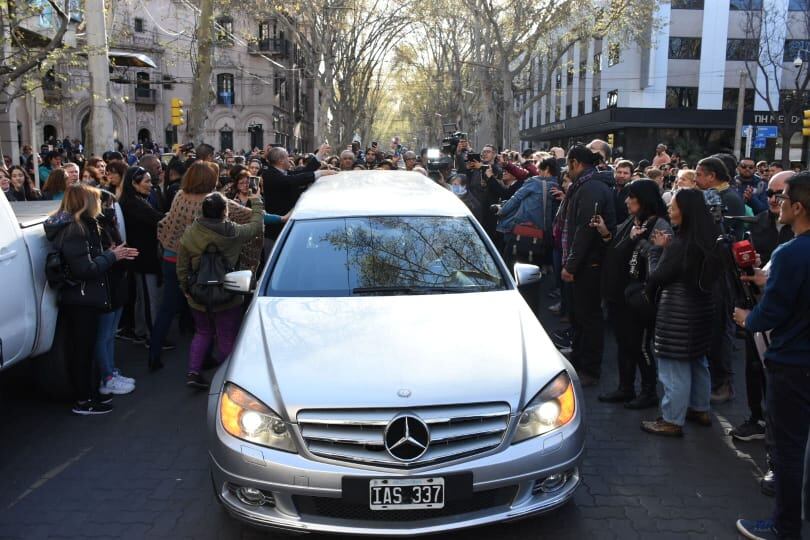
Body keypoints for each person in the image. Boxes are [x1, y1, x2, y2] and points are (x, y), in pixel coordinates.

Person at [733, 172, 810, 540]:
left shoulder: (791, 252)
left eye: (782, 198)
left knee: (788, 450)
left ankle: (785, 527)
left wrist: (747, 318)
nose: (774, 204)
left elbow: (771, 314)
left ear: (798, 206)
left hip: (793, 364)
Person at [43, 184, 137, 414]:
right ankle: (84, 400)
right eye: (95, 200)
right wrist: (111, 255)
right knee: (83, 352)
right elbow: (85, 269)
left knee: (85, 350)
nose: (99, 206)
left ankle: (90, 395)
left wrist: (110, 253)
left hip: (84, 296)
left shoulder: (82, 226)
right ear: (85, 203)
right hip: (81, 299)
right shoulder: (75, 230)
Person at [640, 188, 719, 436]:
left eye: (673, 207)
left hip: (677, 312)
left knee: (674, 367)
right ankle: (700, 408)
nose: (670, 212)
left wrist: (657, 250)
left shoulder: (680, 245)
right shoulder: (711, 237)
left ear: (685, 211)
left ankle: (672, 419)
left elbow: (657, 276)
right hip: (703, 309)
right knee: (697, 361)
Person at [730, 171, 796, 444]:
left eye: (781, 194)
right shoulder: (757, 223)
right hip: (755, 307)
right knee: (754, 367)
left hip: (786, 319)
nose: (773, 200)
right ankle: (757, 418)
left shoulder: (797, 241)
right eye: (769, 193)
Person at [594, 180, 671, 409]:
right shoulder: (634, 220)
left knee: (640, 346)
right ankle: (625, 388)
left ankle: (648, 392)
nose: (627, 201)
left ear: (644, 199)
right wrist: (607, 233)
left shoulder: (658, 225)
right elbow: (617, 247)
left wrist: (638, 242)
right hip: (620, 294)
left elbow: (660, 263)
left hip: (640, 298)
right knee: (624, 343)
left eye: (632, 197)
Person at [177, 192, 264, 389]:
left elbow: (182, 266)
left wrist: (185, 288)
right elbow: (256, 226)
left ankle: (193, 371)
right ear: (225, 211)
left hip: (198, 295)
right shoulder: (233, 232)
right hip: (228, 293)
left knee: (202, 332)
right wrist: (257, 202)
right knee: (226, 335)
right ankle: (230, 378)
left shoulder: (190, 234)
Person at [560, 144, 617, 387]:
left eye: (567, 164)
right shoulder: (584, 186)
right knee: (580, 316)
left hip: (589, 265)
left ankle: (590, 369)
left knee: (589, 317)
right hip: (584, 262)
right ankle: (580, 359)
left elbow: (585, 231)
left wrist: (571, 265)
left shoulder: (590, 187)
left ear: (575, 163)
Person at [695, 156, 745, 404]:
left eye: (699, 174)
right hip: (711, 271)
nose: (696, 179)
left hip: (722, 274)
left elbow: (728, 238)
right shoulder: (718, 196)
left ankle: (723, 383)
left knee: (720, 330)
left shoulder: (728, 199)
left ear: (712, 176)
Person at [95, 189, 136, 396]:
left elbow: (117, 249)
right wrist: (114, 254)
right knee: (103, 336)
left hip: (117, 283)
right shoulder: (95, 228)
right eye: (107, 205)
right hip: (106, 287)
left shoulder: (109, 225)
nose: (111, 209)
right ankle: (106, 376)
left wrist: (122, 253)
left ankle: (111, 370)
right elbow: (103, 257)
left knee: (110, 334)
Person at [119, 166, 164, 346]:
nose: (150, 185)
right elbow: (157, 219)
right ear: (134, 184)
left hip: (143, 256)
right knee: (148, 298)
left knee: (142, 297)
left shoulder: (138, 200)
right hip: (143, 257)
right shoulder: (133, 204)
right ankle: (151, 336)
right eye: (146, 181)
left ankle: (141, 331)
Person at [261, 144, 334, 254]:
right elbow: (292, 180)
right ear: (281, 161)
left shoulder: (283, 173)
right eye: (287, 157)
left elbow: (302, 173)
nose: (289, 159)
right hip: (275, 233)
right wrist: (320, 173)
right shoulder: (270, 174)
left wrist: (318, 156)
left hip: (289, 228)